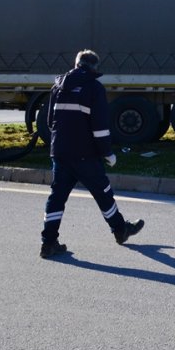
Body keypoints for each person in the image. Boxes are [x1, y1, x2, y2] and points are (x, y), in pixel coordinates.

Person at [40, 49, 144, 258]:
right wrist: (107, 153)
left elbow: (51, 122)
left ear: (76, 64)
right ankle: (120, 230)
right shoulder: (94, 88)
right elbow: (100, 128)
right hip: (85, 154)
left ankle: (48, 243)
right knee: (103, 192)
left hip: (60, 152)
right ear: (94, 67)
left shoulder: (57, 86)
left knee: (57, 197)